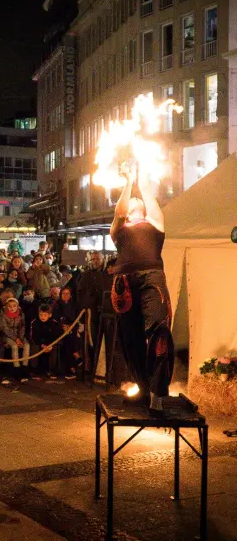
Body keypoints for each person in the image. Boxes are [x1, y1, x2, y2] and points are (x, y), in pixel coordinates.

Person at [110, 163, 174, 414]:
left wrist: (141, 176)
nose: (137, 198)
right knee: (130, 339)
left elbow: (146, 191)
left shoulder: (155, 222)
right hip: (123, 282)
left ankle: (158, 394)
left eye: (139, 198)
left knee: (159, 330)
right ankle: (143, 389)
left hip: (151, 277)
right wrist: (128, 182)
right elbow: (118, 212)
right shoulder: (119, 228)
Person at [0, 297, 29, 381]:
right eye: (10, 306)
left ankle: (25, 367)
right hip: (7, 336)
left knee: (26, 345)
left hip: (19, 335)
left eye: (14, 306)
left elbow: (22, 327)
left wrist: (20, 338)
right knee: (14, 346)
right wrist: (16, 339)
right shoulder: (3, 314)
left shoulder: (21, 314)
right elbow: (5, 329)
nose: (12, 308)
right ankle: (16, 368)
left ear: (17, 306)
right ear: (6, 307)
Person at [29, 303, 63, 379]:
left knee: (54, 348)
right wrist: (42, 345)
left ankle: (51, 370)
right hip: (39, 343)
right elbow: (33, 337)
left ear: (49, 315)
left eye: (45, 315)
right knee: (34, 347)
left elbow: (57, 336)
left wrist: (50, 345)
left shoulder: (54, 323)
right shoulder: (35, 322)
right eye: (41, 315)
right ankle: (33, 370)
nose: (42, 317)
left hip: (50, 344)